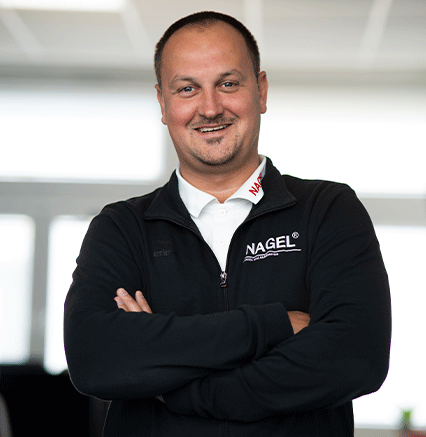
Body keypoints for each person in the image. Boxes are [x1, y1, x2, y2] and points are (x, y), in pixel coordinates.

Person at [64, 11, 391, 437]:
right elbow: (94, 360)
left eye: (229, 83)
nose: (210, 108)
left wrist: (180, 386)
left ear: (262, 91)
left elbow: (355, 357)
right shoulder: (122, 228)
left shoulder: (328, 211)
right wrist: (273, 326)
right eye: (187, 88)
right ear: (163, 103)